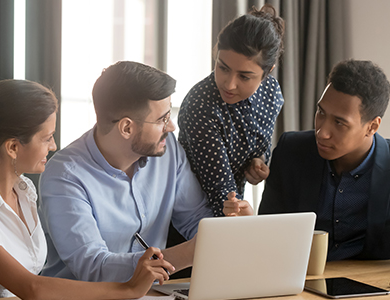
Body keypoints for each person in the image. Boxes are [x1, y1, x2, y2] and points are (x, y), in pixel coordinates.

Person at [0, 79, 174, 299]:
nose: (53, 146)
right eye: (47, 138)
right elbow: (32, 288)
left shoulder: (24, 190)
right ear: (12, 147)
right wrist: (129, 289)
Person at [38, 61, 214, 283]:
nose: (171, 128)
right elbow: (93, 268)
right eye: (162, 119)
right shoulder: (64, 176)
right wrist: (192, 252)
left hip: (153, 294)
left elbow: (196, 219)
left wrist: (230, 230)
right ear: (127, 127)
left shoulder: (168, 150)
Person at [225, 59, 390, 261]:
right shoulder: (291, 151)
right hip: (299, 281)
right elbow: (271, 237)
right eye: (321, 112)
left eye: (339, 122)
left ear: (372, 127)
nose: (322, 132)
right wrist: (250, 224)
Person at [177, 4, 285, 217]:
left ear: (268, 71)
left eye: (244, 76)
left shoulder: (271, 93)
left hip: (230, 213)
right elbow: (222, 193)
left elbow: (259, 146)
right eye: (223, 68)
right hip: (190, 217)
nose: (229, 84)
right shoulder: (200, 105)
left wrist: (258, 161)